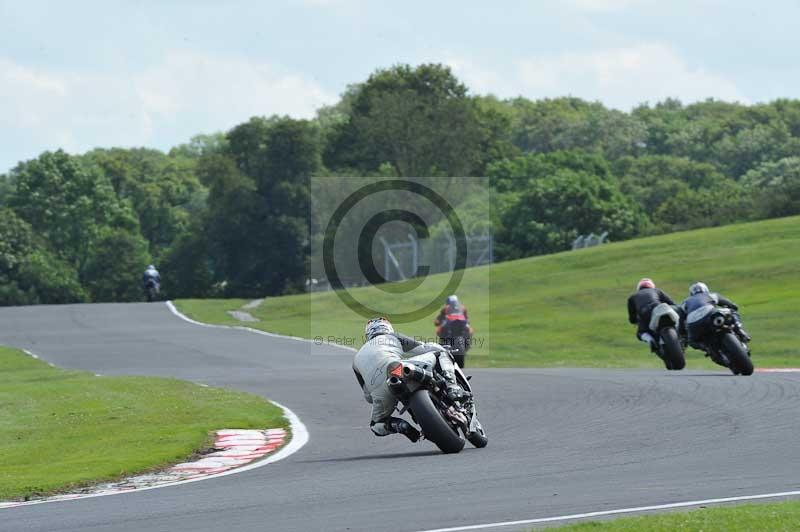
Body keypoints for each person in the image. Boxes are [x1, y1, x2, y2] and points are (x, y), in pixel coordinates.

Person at [352, 317, 466, 442]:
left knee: (376, 425)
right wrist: (442, 348)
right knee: (440, 354)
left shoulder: (356, 359)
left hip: (380, 392)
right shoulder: (392, 336)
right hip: (398, 368)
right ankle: (452, 387)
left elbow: (368, 396)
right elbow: (423, 348)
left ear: (368, 334)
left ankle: (401, 426)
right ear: (387, 328)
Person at [680, 282, 751, 352]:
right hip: (711, 313)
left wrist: (684, 334)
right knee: (732, 312)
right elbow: (731, 305)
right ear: (706, 289)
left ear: (691, 293)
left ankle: (707, 348)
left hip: (693, 322)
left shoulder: (685, 302)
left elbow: (681, 319)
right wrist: (733, 307)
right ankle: (740, 331)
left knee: (692, 342)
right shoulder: (711, 295)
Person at [627, 278, 676, 352]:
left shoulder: (632, 297)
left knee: (640, 333)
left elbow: (632, 317)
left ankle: (650, 340)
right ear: (652, 286)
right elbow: (672, 303)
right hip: (659, 308)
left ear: (639, 287)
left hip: (644, 313)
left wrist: (634, 321)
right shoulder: (657, 290)